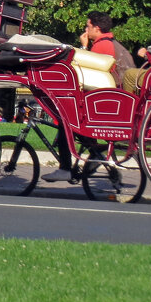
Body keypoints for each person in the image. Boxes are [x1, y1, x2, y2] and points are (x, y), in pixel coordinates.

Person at [43, 11, 132, 183]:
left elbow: (85, 72)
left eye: (88, 26)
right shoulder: (112, 44)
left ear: (96, 28)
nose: (86, 29)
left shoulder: (101, 46)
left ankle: (65, 168)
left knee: (66, 124)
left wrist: (83, 47)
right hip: (112, 99)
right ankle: (95, 152)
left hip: (104, 100)